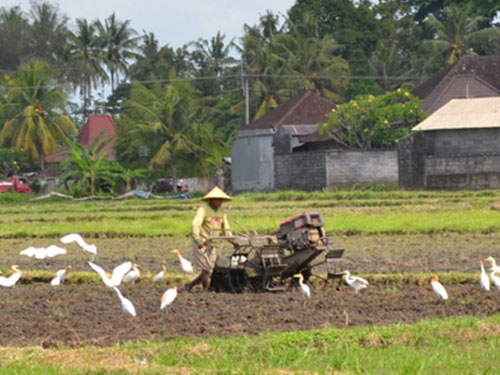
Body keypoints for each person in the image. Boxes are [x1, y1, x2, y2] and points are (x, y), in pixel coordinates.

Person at [184, 186, 232, 291]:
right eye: (217, 200)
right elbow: (195, 225)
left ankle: (190, 285)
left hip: (213, 244)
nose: (219, 202)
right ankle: (206, 289)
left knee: (210, 270)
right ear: (211, 199)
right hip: (202, 243)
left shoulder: (221, 212)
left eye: (221, 200)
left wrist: (233, 240)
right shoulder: (203, 209)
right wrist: (198, 240)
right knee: (206, 269)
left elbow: (226, 228)